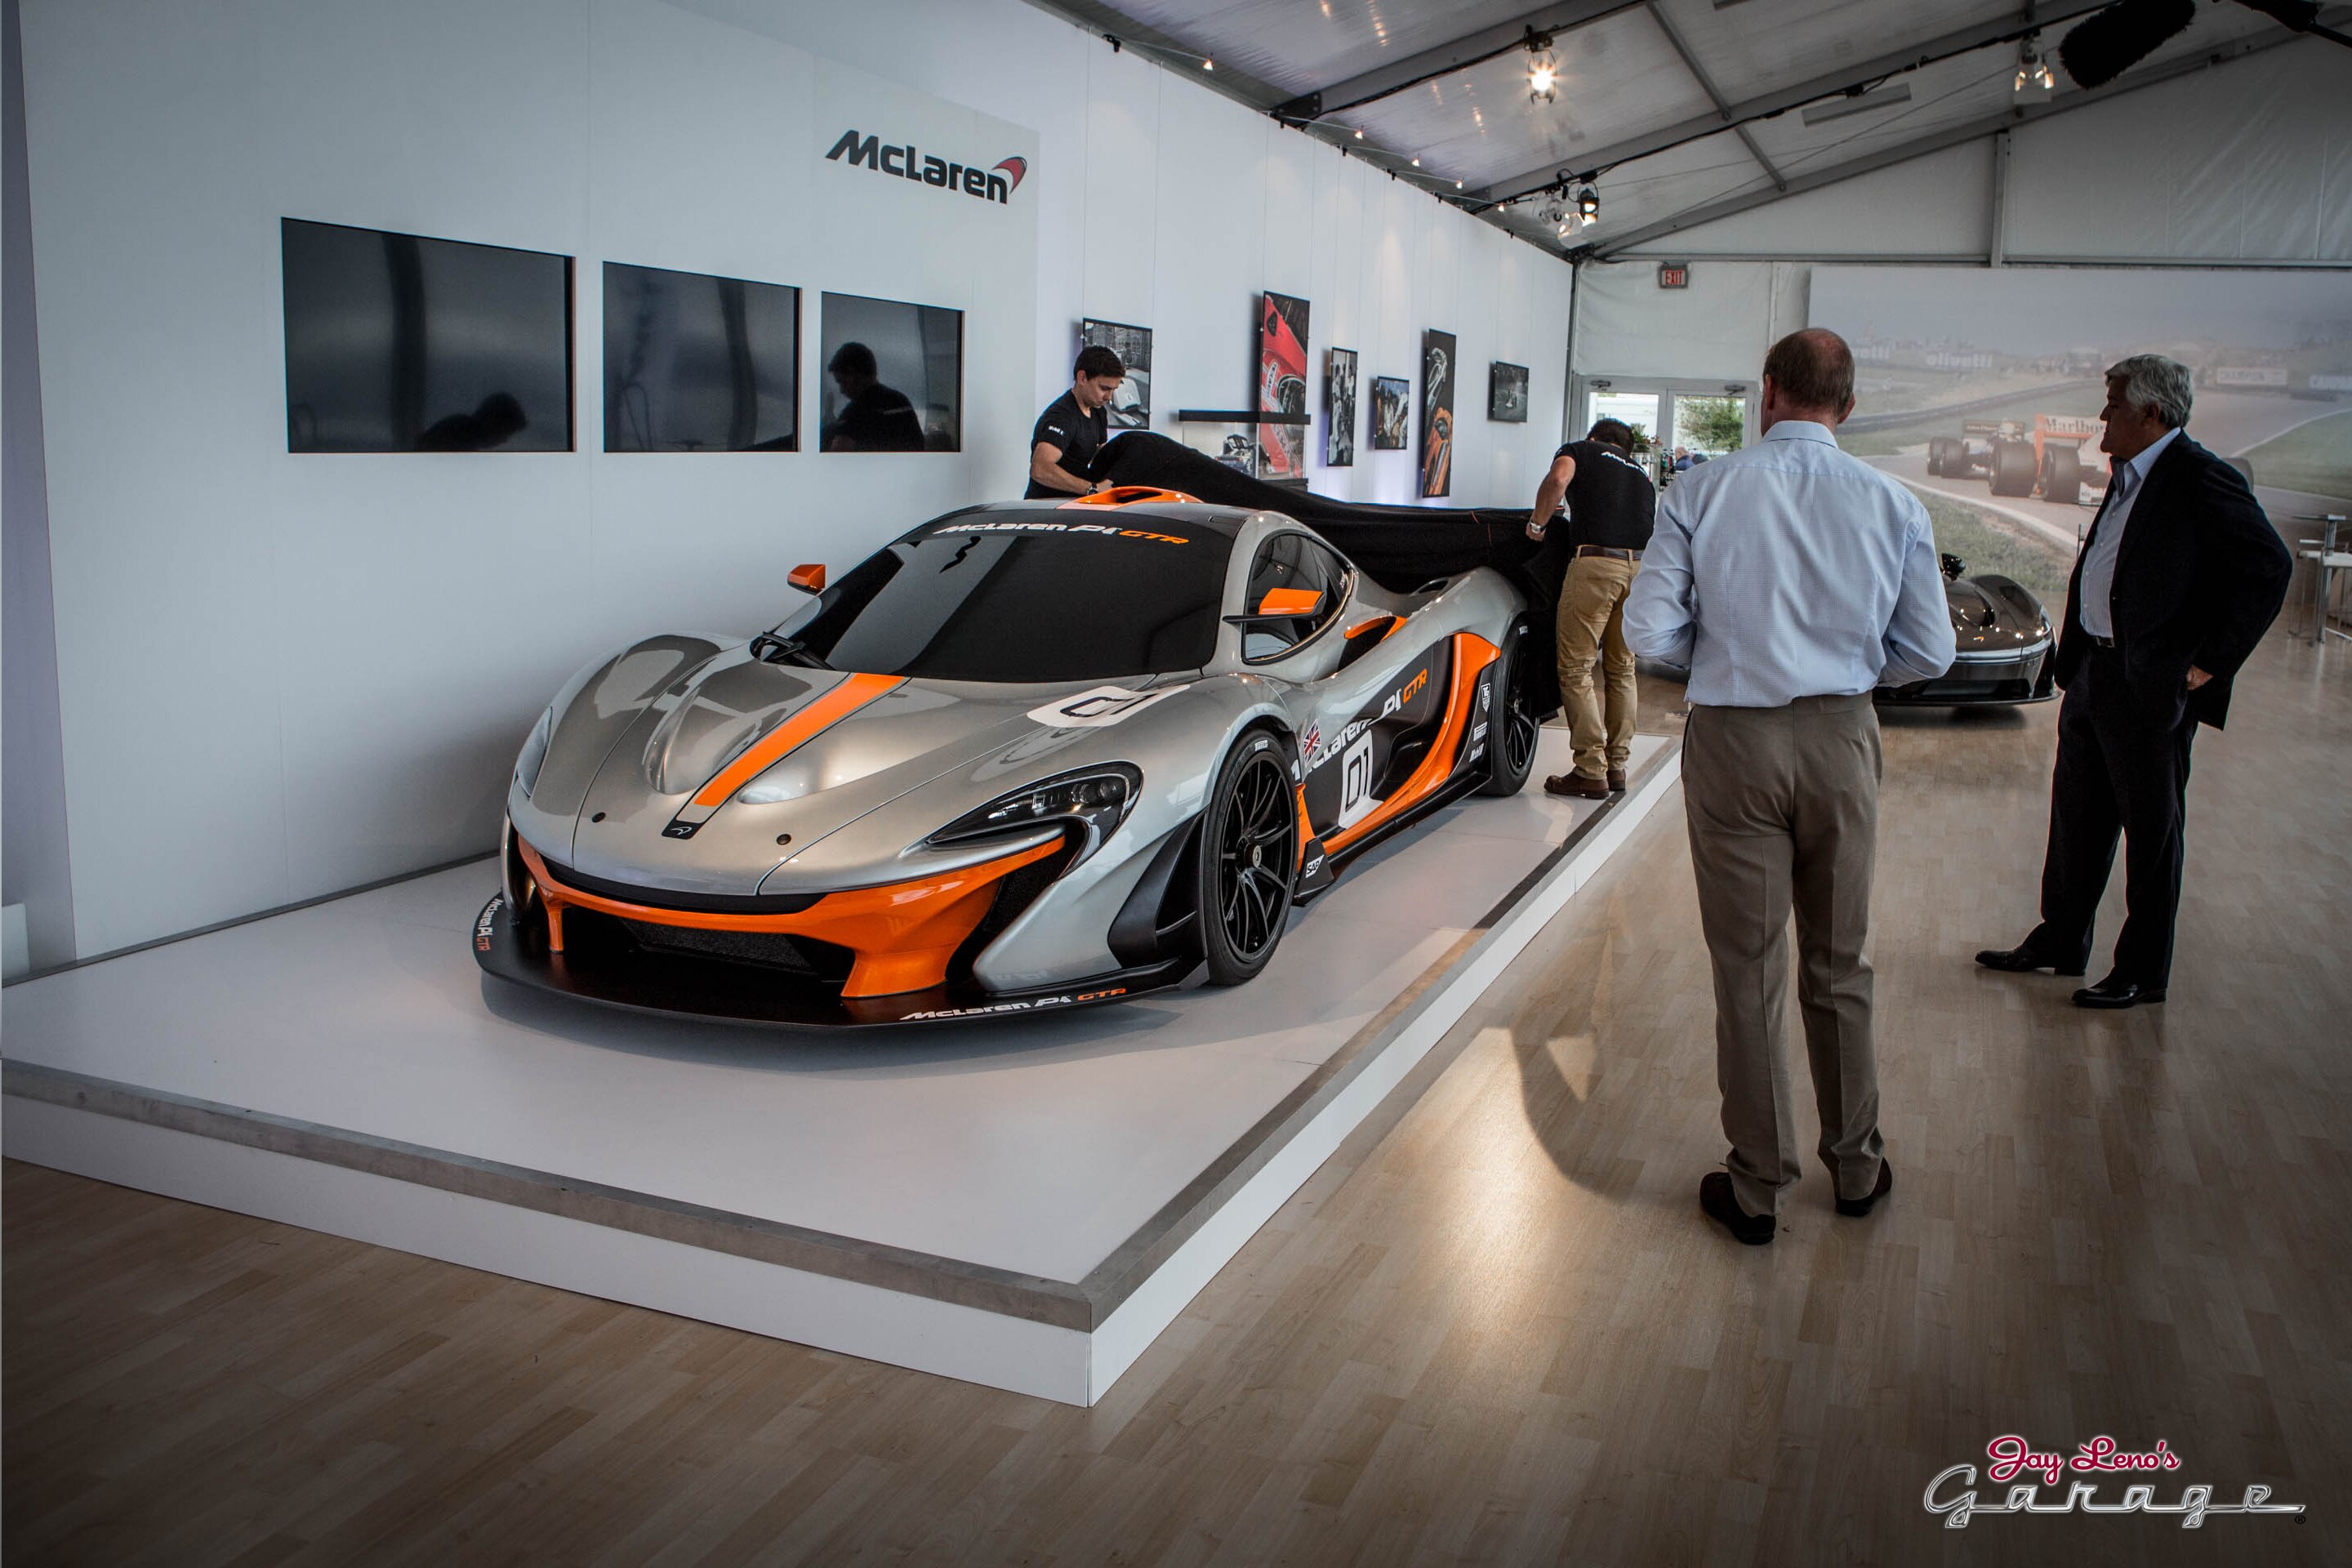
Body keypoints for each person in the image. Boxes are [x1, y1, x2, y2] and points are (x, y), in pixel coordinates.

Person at [1624, 328, 1955, 1245]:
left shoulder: (1700, 490)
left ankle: (1760, 1184)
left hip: (1733, 738)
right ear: (1846, 406)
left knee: (1750, 970)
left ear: (1766, 391)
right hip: (1843, 735)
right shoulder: (1895, 503)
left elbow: (1646, 633)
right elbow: (1932, 650)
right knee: (1840, 961)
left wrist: (1726, 658)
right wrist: (1848, 674)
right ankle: (1856, 1166)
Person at [1976, 355, 2290, 1009]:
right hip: (2096, 672)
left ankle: (2143, 970)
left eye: (2113, 404)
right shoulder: (2128, 476)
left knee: (2152, 836)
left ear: (2152, 414)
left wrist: (2209, 663)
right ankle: (2061, 939)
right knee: (2076, 821)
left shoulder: (2202, 478)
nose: (2102, 416)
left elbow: (2269, 566)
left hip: (2150, 685)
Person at [1523, 417, 1656, 799]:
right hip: (1639, 568)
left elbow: (1558, 480)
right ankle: (1616, 767)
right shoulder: (1642, 476)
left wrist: (1537, 525)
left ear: (1595, 437)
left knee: (1576, 667)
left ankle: (1590, 769)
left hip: (1597, 564)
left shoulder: (1581, 449)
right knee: (1621, 668)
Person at [1026, 345, 1126, 497]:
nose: (1109, 397)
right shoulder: (1062, 416)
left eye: (1113, 390)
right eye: (1104, 388)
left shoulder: (1098, 412)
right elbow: (1040, 468)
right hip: (1046, 508)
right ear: (1082, 378)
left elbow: (1099, 456)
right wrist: (1092, 489)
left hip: (1074, 505)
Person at [822, 342, 925, 452]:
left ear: (852, 375)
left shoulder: (856, 412)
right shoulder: (901, 402)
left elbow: (839, 451)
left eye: (841, 382)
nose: (841, 391)